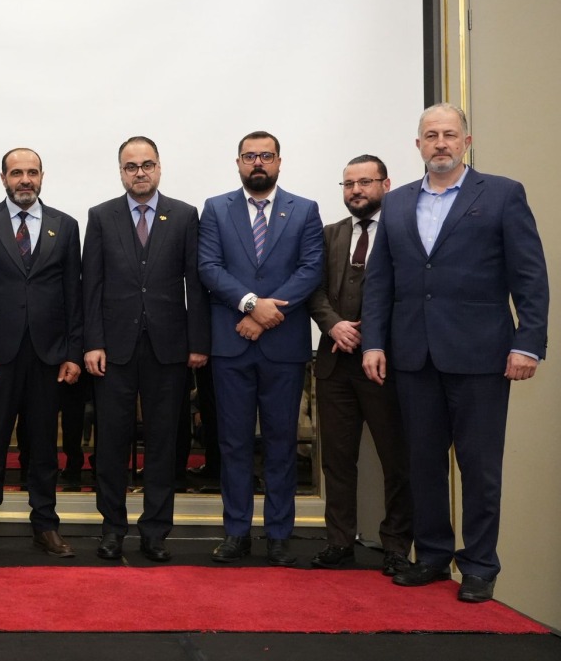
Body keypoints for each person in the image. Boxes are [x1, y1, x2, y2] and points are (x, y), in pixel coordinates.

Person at [362, 104, 548, 603]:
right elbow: (380, 282)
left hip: (482, 356)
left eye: (449, 134)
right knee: (422, 464)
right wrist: (374, 342)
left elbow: (530, 276)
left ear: (466, 141)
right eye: (431, 135)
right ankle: (432, 556)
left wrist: (528, 342)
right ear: (418, 145)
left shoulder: (503, 194)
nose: (440, 143)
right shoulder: (396, 203)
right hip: (413, 356)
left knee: (479, 468)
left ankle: (481, 566)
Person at [198, 131, 323, 566]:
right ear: (238, 162)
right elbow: (209, 267)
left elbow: (311, 269)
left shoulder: (305, 209)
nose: (257, 163)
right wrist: (252, 304)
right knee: (232, 444)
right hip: (231, 345)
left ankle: (279, 534)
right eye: (249, 156)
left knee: (281, 443)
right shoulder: (216, 208)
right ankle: (236, 532)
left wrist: (267, 312)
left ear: (279, 162)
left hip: (283, 346)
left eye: (265, 156)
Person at [83, 136, 210, 562]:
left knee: (163, 444)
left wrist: (198, 342)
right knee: (111, 444)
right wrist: (93, 342)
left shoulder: (185, 215)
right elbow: (91, 285)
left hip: (169, 349)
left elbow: (196, 284)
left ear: (159, 167)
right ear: (121, 172)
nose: (140, 172)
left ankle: (155, 532)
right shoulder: (100, 216)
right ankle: (112, 529)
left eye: (147, 164)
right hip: (114, 350)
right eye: (131, 166)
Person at [0, 148, 82, 560]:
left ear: (42, 176)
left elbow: (73, 294)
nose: (24, 179)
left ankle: (45, 526)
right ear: (3, 178)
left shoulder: (65, 225)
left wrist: (73, 352)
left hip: (49, 355)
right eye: (16, 173)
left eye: (31, 172)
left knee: (44, 446)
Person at [307, 154, 412, 575]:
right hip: (334, 365)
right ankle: (339, 542)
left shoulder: (403, 232)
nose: (356, 191)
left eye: (365, 182)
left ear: (386, 185)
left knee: (396, 460)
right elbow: (313, 290)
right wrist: (333, 325)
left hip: (385, 366)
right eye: (349, 184)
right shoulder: (329, 234)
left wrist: (372, 335)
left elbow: (408, 292)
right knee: (336, 461)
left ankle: (397, 546)